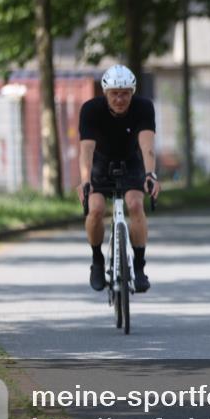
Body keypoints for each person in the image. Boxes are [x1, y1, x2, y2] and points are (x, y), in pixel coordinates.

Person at [77, 65, 160, 293]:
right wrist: (85, 181)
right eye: (114, 93)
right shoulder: (91, 110)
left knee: (134, 204)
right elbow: (86, 151)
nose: (120, 98)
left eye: (125, 93)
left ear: (132, 93)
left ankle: (139, 266)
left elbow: (147, 146)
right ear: (105, 93)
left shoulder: (143, 108)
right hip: (100, 162)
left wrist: (150, 174)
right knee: (95, 209)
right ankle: (97, 261)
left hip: (131, 161)